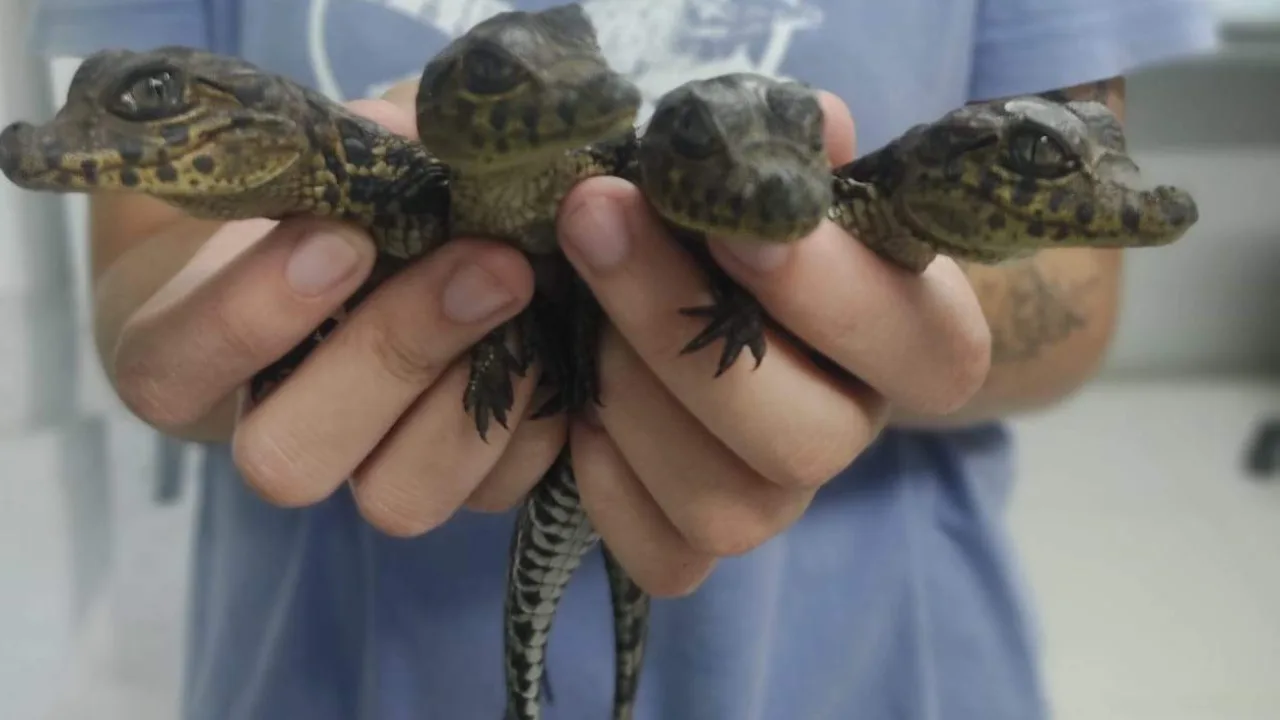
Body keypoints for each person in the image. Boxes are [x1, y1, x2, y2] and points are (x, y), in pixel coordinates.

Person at [29, 1, 1216, 718]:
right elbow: (140, 259)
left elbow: (1078, 260)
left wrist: (845, 310)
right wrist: (233, 336)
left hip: (870, 661)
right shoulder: (375, 163)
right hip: (326, 666)